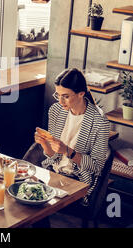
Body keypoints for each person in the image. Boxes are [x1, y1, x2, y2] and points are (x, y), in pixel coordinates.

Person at [23, 68, 110, 206]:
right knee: (22, 190)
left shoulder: (100, 122)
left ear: (81, 93)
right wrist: (45, 143)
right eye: (58, 95)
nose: (60, 101)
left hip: (78, 180)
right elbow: (54, 157)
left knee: (33, 201)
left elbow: (96, 167)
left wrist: (68, 151)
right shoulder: (56, 111)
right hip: (54, 173)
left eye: (66, 96)